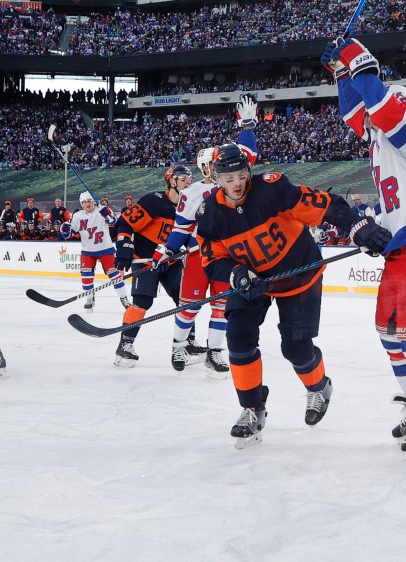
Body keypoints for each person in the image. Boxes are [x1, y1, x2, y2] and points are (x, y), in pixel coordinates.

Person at [196, 143, 391, 449]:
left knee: (296, 347)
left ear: (248, 171)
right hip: (251, 280)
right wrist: (236, 273)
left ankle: (318, 387)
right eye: (227, 177)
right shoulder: (209, 215)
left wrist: (356, 225)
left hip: (298, 273)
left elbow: (325, 204)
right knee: (239, 337)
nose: (236, 183)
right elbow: (212, 260)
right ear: (216, 179)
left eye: (240, 175)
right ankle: (252, 408)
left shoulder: (274, 190)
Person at [323, 38, 406, 462]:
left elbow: (378, 105)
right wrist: (341, 74)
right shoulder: (382, 140)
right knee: (389, 332)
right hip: (401, 248)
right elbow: (355, 113)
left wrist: (356, 58)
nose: (371, 121)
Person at [151, 95, 259, 377]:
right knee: (189, 307)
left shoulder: (235, 185)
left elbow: (249, 154)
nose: (220, 167)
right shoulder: (191, 193)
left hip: (229, 255)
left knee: (222, 307)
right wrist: (165, 250)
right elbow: (182, 228)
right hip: (200, 255)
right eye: (213, 163)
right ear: (205, 167)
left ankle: (215, 352)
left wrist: (247, 126)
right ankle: (178, 345)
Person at [113, 164, 195, 368]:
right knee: (142, 302)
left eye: (189, 178)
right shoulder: (154, 201)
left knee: (185, 299)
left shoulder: (190, 207)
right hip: (146, 261)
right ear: (172, 181)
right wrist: (124, 244)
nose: (188, 182)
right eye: (183, 178)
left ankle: (188, 343)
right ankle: (125, 345)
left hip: (171, 260)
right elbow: (125, 222)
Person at [64, 192, 131, 311]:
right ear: (81, 204)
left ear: (93, 202)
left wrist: (107, 213)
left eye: (89, 201)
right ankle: (90, 298)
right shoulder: (78, 216)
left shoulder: (101, 211)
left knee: (115, 276)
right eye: (84, 202)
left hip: (105, 249)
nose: (87, 204)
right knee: (86, 277)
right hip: (88, 251)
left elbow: (113, 222)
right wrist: (64, 230)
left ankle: (124, 298)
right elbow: (71, 233)